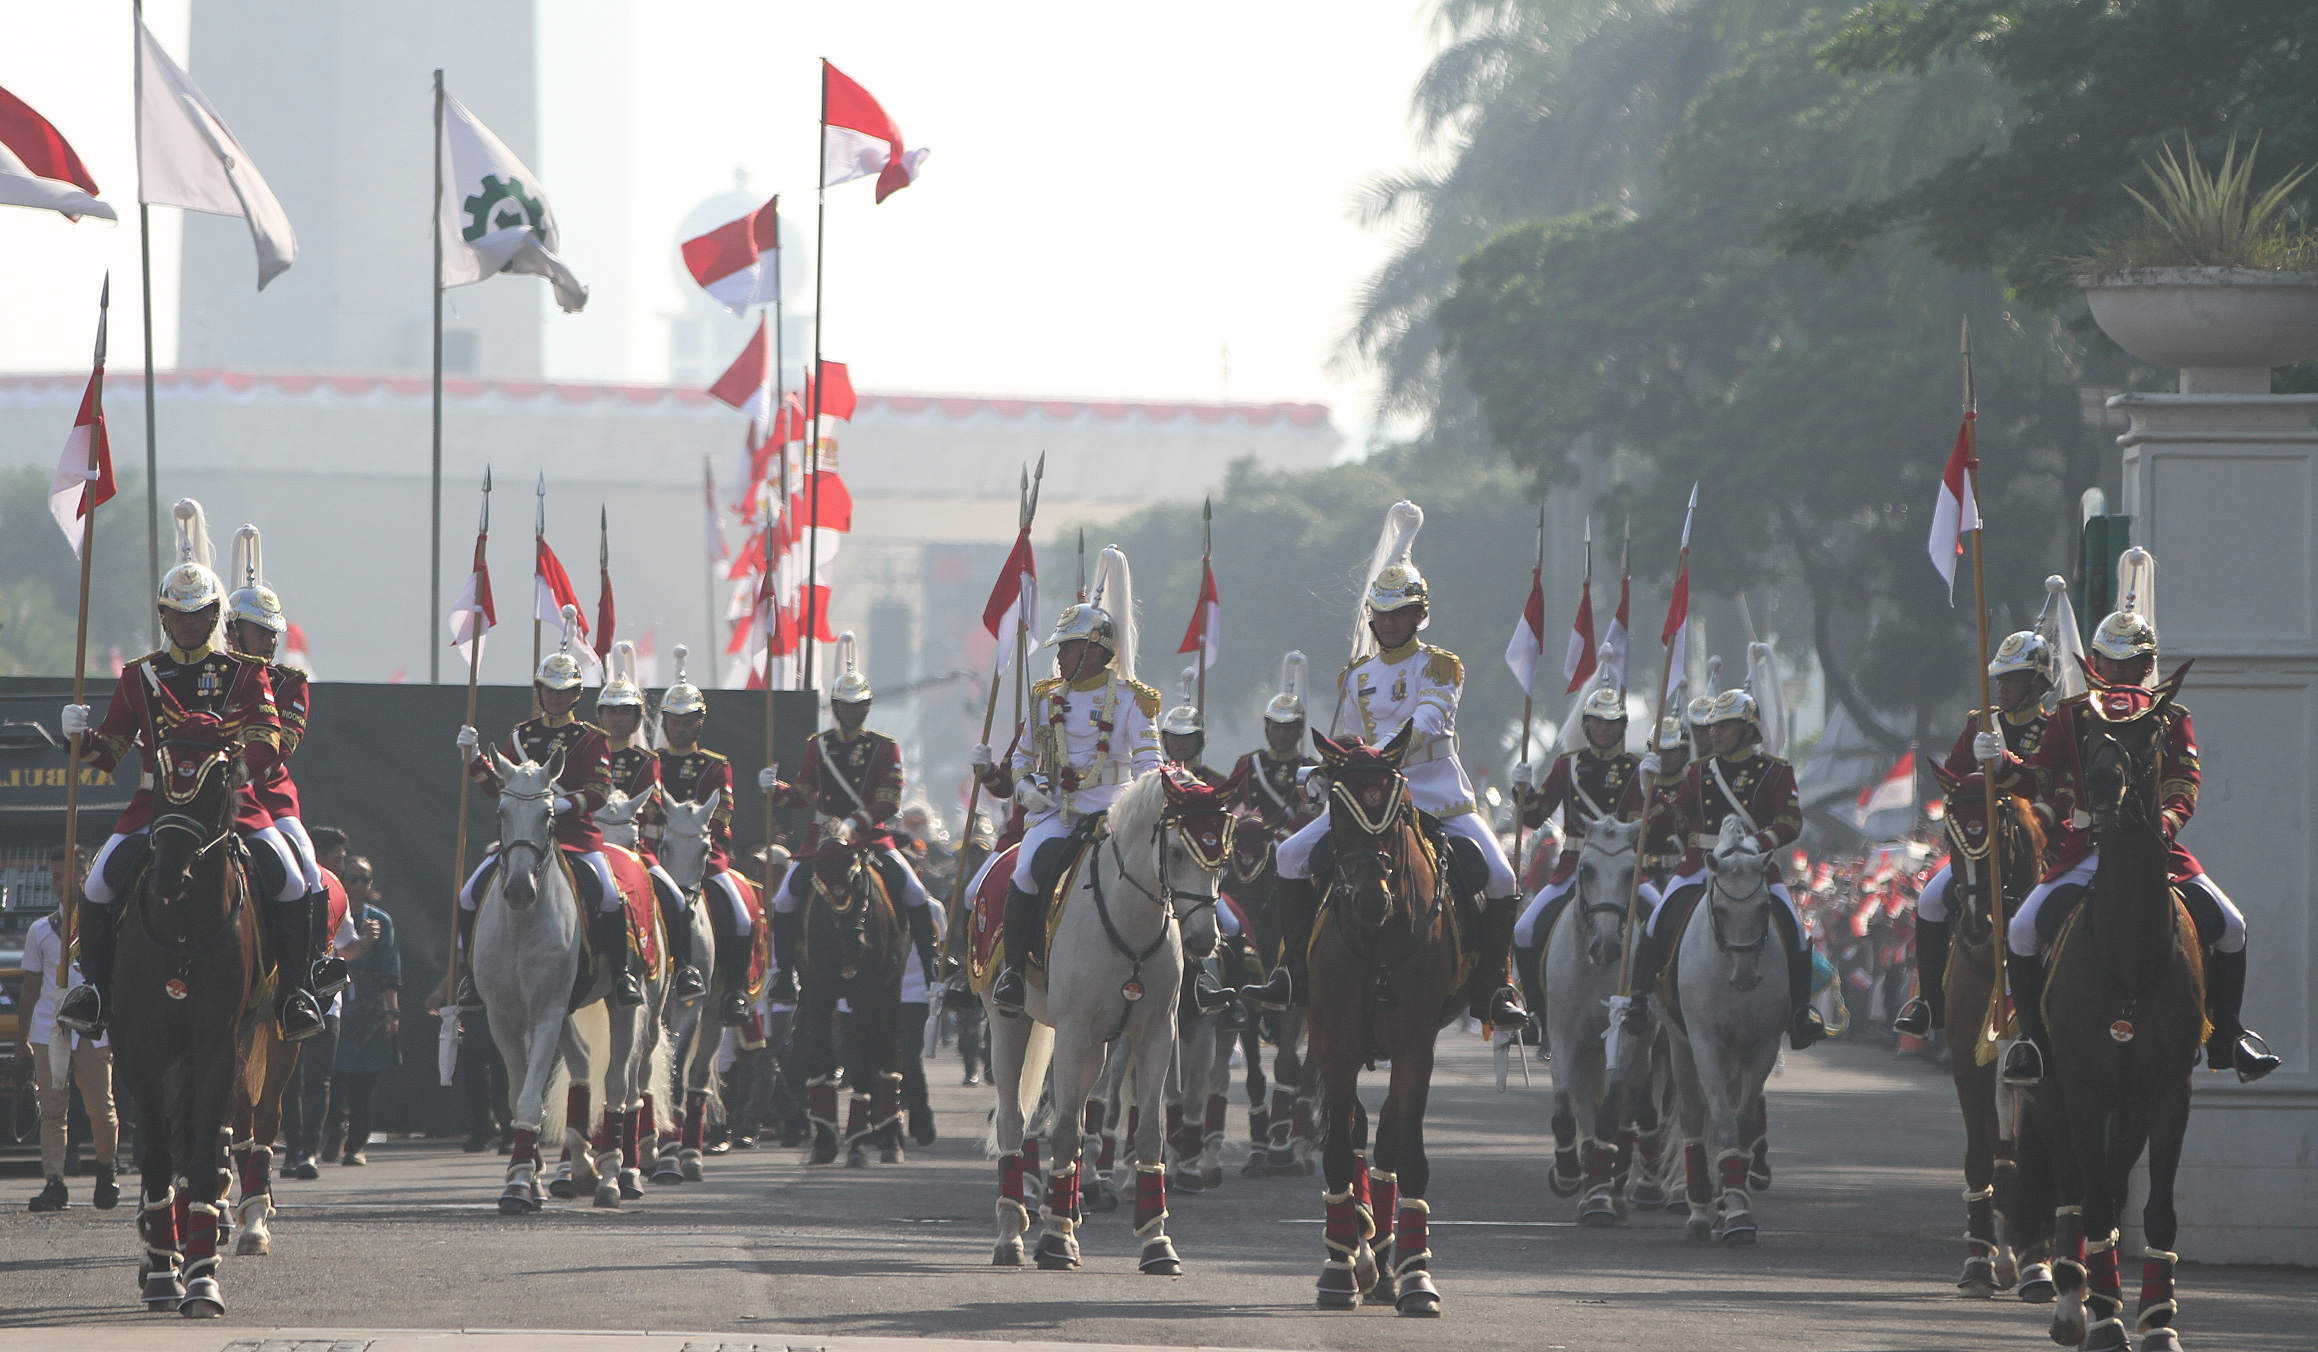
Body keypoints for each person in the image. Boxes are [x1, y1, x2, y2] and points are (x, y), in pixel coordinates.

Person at [1989, 551, 2277, 1084]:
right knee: (2024, 930)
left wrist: (2162, 827)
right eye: (2111, 663)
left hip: (2152, 847)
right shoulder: (2074, 715)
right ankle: (2031, 1041)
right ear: (2095, 663)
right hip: (2086, 848)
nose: (2121, 675)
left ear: (2148, 666)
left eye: (2133, 665)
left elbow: (2182, 784)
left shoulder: (2170, 715)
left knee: (2232, 926)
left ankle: (2229, 1036)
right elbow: (2039, 779)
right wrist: (2001, 762)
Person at [1241, 501, 1528, 1028]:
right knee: (1288, 856)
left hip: (1437, 793)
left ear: (1420, 615)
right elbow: (1348, 736)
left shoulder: (1441, 665)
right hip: (1368, 798)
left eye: (1400, 614)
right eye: (1382, 614)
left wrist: (1373, 757)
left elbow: (1430, 720)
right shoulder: (1356, 676)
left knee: (1504, 877)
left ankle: (1493, 987)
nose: (1390, 623)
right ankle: (1292, 972)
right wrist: (1322, 771)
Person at [56, 499, 312, 1040]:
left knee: (290, 882)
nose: (189, 624)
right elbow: (111, 755)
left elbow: (267, 741)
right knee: (99, 886)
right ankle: (95, 993)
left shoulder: (243, 673)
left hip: (228, 808)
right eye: (178, 613)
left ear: (215, 616)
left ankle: (294, 995)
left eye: (199, 615)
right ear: (163, 615)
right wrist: (77, 739)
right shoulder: (139, 676)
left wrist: (229, 777)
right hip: (155, 807)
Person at [972, 547, 1163, 1018]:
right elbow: (1022, 757)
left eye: (1069, 647)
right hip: (1058, 813)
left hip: (1115, 814)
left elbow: (1149, 763)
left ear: (1097, 651)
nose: (1060, 655)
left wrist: (1141, 808)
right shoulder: (1044, 700)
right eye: (1060, 647)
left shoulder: (1131, 700)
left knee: (1166, 874)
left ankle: (1191, 975)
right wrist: (1024, 787)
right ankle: (1015, 973)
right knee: (1024, 869)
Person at [1622, 647, 1826, 1049]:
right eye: (1712, 726)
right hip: (1701, 863)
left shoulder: (1775, 770)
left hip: (1754, 867)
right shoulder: (1699, 772)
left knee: (1795, 932)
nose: (1712, 733)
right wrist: (1651, 797)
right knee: (1659, 921)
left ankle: (1801, 1012)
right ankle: (1639, 999)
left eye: (1724, 726)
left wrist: (1756, 842)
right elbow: (1679, 822)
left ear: (1749, 729)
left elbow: (1791, 822)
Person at [455, 609, 636, 1005]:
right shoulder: (521, 736)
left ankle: (621, 976)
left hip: (577, 839)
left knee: (609, 896)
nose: (556, 698)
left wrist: (561, 806)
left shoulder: (591, 739)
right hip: (522, 839)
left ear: (576, 694)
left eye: (564, 691)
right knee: (469, 896)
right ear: (540, 692)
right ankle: (470, 976)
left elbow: (601, 791)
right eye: (549, 690)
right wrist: (473, 761)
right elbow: (497, 790)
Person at [761, 633, 941, 1015]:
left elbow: (889, 800)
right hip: (822, 839)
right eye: (845, 706)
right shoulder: (818, 745)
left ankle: (935, 967)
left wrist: (855, 823)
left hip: (869, 839)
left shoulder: (884, 746)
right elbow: (804, 794)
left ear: (868, 707)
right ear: (835, 707)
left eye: (858, 706)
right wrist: (775, 790)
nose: (852, 712)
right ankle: (783, 973)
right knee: (785, 898)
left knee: (913, 892)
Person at [1891, 625, 2054, 1039]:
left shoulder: (2055, 728)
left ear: (2037, 684)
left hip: (2037, 842)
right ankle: (1930, 1001)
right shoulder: (1982, 725)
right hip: (1980, 845)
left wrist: (2005, 768)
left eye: (2012, 679)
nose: (2001, 688)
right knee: (1929, 900)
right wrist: (1971, 770)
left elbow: (2049, 784)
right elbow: (1954, 782)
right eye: (1999, 678)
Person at [223, 525, 350, 1028]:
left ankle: (306, 977)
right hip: (202, 793)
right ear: (234, 631)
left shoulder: (289, 682)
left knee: (301, 867)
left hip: (269, 799)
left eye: (274, 631)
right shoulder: (207, 674)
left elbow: (282, 744)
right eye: (262, 631)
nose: (272, 640)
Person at [1511, 655, 1639, 1017]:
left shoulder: (1635, 768)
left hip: (1623, 870)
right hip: (1574, 864)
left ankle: (1650, 1005)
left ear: (1622, 726)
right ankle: (1537, 1011)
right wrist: (1522, 792)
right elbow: (1536, 816)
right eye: (1597, 721)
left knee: (1661, 923)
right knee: (1523, 931)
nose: (1604, 729)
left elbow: (1649, 822)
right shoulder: (1567, 765)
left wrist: (1653, 786)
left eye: (1612, 722)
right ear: (1586, 724)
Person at [597, 642, 706, 1000]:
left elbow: (655, 802)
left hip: (635, 850)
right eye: (610, 712)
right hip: (588, 845)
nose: (617, 719)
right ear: (600, 716)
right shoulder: (584, 749)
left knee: (676, 900)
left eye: (625, 712)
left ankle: (686, 969)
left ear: (637, 718)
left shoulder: (647, 760)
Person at [19, 846, 120, 1212]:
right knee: (53, 1109)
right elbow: (31, 989)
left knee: (99, 1107)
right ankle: (54, 1181)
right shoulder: (41, 930)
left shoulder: (104, 924)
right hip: (50, 1031)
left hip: (93, 1030)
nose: (58, 882)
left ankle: (106, 1171)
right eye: (54, 875)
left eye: (66, 875)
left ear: (85, 875)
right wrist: (22, 1041)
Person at [328, 858, 401, 1166]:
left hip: (369, 1013)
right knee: (333, 1079)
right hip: (335, 1006)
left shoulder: (380, 921)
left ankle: (356, 1145)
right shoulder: (331, 914)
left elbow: (390, 967)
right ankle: (330, 1140)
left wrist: (392, 1011)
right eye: (352, 878)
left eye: (364, 879)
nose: (358, 885)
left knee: (365, 1083)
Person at [897, 895, 946, 1146]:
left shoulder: (933, 908)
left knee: (909, 1055)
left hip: (917, 992)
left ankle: (921, 1115)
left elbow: (942, 947)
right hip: (881, 990)